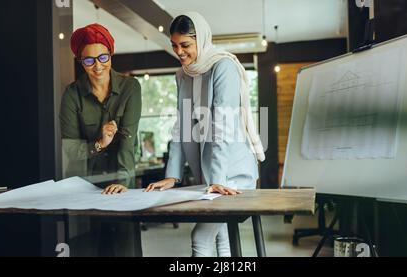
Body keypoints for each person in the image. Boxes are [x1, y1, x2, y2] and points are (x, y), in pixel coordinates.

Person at [144, 12, 265, 257]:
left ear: (202, 39)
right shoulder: (182, 74)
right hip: (209, 175)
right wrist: (173, 175)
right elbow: (181, 126)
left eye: (185, 45)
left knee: (201, 236)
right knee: (221, 237)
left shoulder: (224, 66)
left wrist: (218, 179)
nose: (179, 52)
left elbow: (223, 125)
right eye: (175, 45)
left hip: (233, 174)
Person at [59, 23, 142, 256]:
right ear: (80, 62)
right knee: (86, 249)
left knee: (124, 250)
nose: (98, 66)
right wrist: (99, 144)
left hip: (121, 183)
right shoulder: (72, 95)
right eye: (89, 60)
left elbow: (127, 140)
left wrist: (124, 183)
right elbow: (70, 150)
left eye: (103, 57)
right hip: (84, 186)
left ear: (111, 54)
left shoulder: (130, 88)